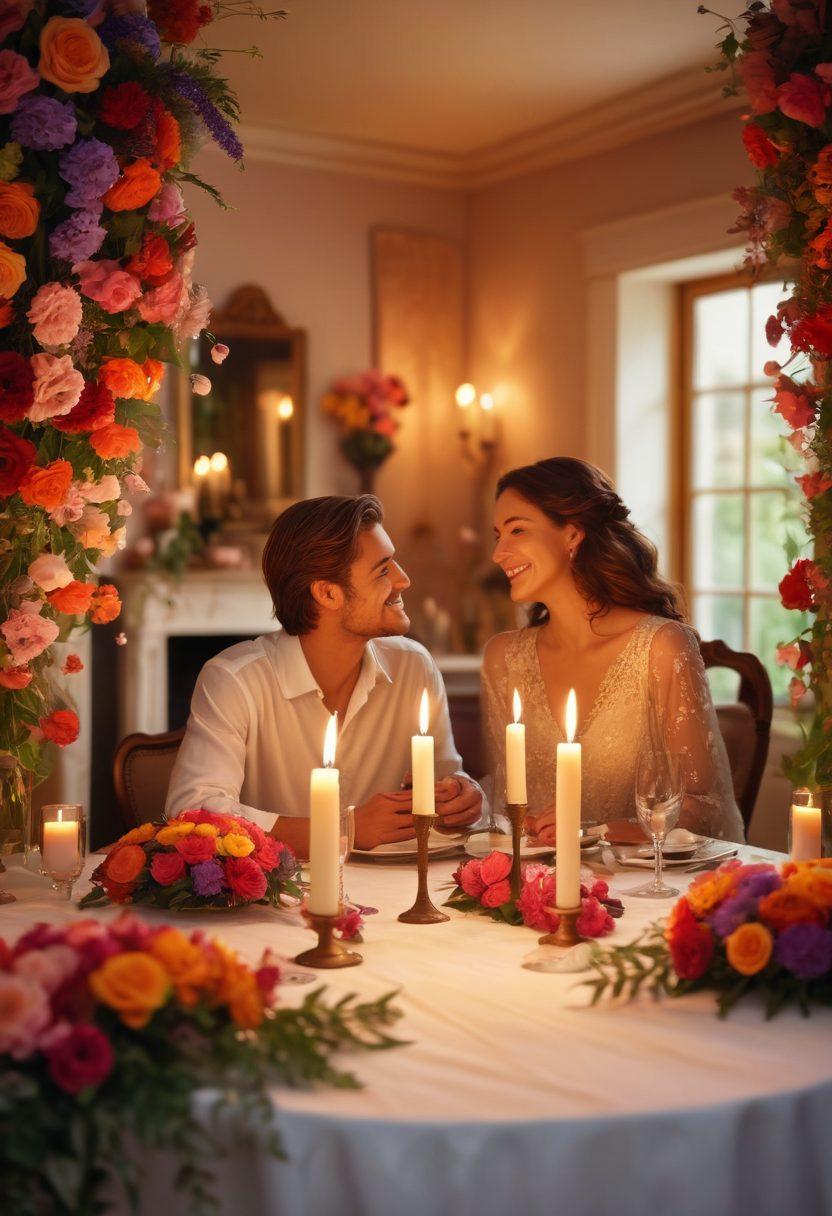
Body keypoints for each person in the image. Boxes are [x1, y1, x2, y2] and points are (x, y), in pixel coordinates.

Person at [166, 494, 483, 856]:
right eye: (383, 570)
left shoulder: (414, 667)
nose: (404, 580)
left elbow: (446, 777)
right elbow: (194, 813)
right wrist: (344, 830)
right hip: (280, 889)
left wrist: (462, 796)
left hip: (397, 885)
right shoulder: (235, 681)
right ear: (328, 593)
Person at [482, 457, 744, 843]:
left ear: (573, 535)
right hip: (535, 877)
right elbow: (504, 799)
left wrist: (599, 831)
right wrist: (464, 795)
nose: (498, 553)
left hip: (645, 879)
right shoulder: (503, 658)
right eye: (497, 535)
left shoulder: (661, 647)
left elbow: (706, 810)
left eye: (517, 530)